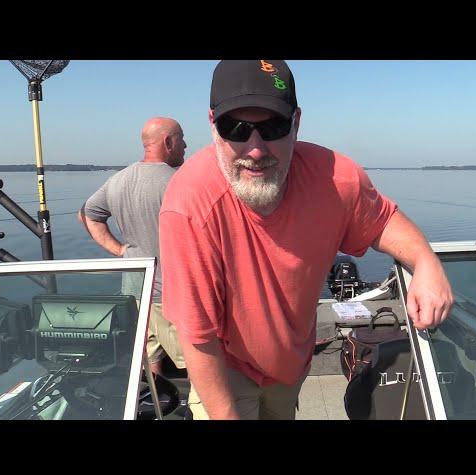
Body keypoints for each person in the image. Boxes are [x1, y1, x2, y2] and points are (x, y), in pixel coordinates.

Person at [159, 60, 454, 420]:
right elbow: (197, 335)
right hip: (225, 367)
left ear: (296, 123)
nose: (255, 149)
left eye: (273, 127)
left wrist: (427, 264)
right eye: (235, 128)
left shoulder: (336, 178)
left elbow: (384, 222)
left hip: (289, 368)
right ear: (212, 125)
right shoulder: (189, 203)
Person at [79, 116, 187, 376]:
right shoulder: (180, 182)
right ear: (169, 142)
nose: (186, 146)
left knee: (150, 351)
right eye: (182, 139)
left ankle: (159, 399)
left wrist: (120, 251)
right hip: (172, 294)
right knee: (192, 359)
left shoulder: (118, 180)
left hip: (137, 287)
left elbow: (87, 215)